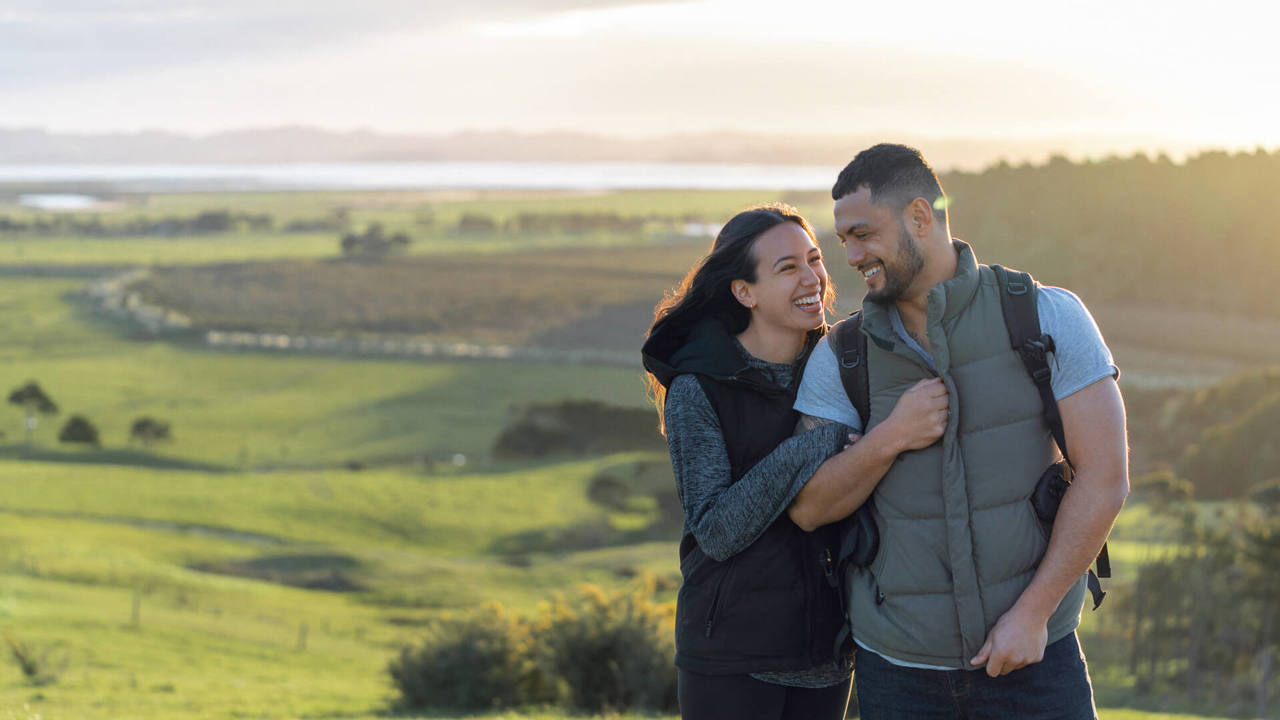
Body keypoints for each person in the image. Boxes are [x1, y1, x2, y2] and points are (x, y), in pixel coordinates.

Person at [790, 144, 1129, 720]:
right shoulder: (840, 355)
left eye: (863, 234)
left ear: (920, 217)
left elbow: (1105, 478)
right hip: (896, 674)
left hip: (1035, 662)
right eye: (843, 239)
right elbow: (810, 508)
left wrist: (1033, 615)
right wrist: (890, 436)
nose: (850, 255)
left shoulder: (1046, 316)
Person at [641, 203, 946, 720]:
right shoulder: (699, 388)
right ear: (745, 292)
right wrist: (817, 444)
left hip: (830, 652)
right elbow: (716, 529)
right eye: (787, 268)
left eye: (814, 260)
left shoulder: (846, 366)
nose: (812, 278)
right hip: (731, 659)